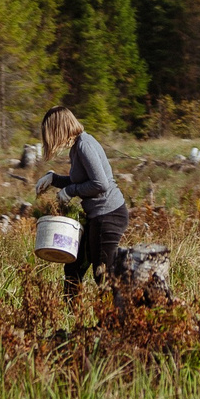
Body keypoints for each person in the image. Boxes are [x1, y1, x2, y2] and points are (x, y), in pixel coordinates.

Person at [36, 106, 128, 296]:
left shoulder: (84, 145)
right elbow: (81, 180)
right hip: (97, 216)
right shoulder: (77, 148)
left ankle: (114, 320)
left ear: (59, 129)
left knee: (103, 275)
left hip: (108, 215)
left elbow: (100, 184)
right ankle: (71, 319)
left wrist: (70, 191)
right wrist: (53, 178)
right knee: (74, 267)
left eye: (50, 133)